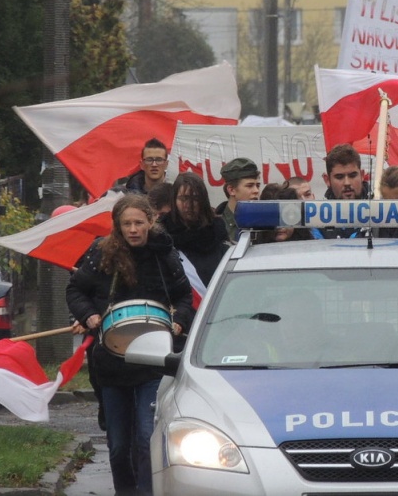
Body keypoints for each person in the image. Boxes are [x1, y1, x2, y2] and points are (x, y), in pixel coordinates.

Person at [67, 194, 193, 495]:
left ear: (151, 221)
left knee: (146, 439)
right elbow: (75, 289)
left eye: (139, 222)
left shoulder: (165, 255)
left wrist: (179, 321)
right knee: (118, 446)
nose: (133, 229)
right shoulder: (101, 253)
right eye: (127, 224)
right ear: (118, 226)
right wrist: (89, 315)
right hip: (111, 365)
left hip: (152, 364)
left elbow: (184, 297)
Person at [161, 172, 229, 287]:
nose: (189, 205)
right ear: (174, 200)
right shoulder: (162, 236)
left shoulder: (216, 232)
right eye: (183, 198)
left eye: (195, 198)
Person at [312, 144, 371, 239]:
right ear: (327, 180)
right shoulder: (316, 218)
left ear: (362, 175)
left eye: (352, 175)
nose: (347, 183)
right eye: (339, 177)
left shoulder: (381, 211)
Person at [216, 157, 261, 244]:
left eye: (258, 185)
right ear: (231, 190)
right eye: (250, 186)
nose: (256, 191)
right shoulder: (215, 225)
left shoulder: (263, 222)